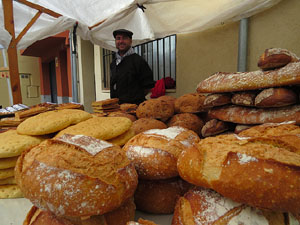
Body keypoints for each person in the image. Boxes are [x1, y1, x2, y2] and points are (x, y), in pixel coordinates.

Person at [110, 29, 155, 105]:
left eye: (124, 38)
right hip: (116, 107)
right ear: (115, 41)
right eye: (118, 38)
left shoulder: (138, 61)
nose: (121, 41)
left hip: (134, 107)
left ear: (130, 41)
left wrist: (134, 99)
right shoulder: (113, 63)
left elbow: (148, 86)